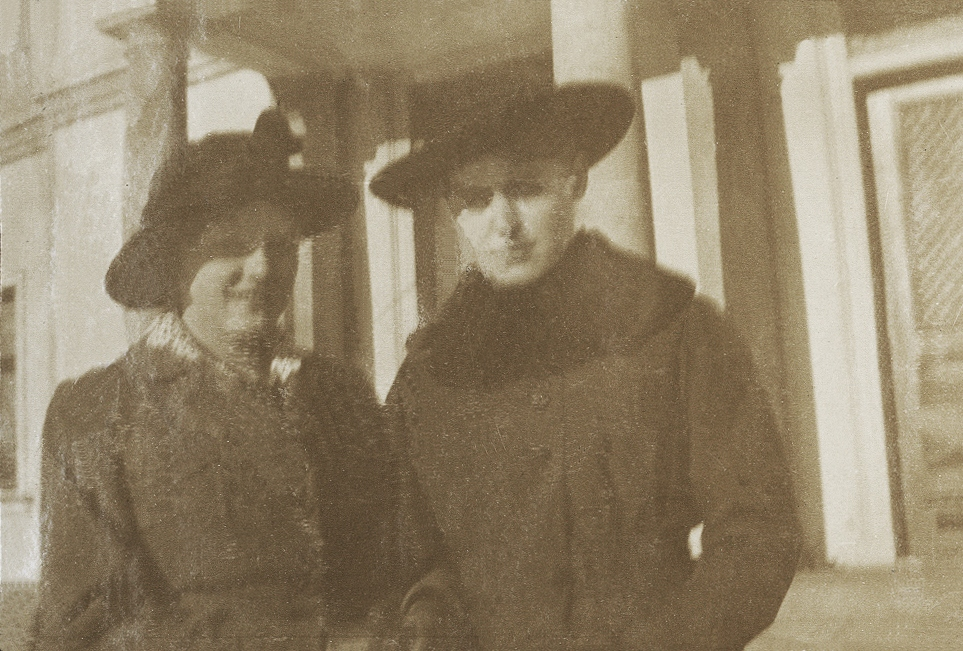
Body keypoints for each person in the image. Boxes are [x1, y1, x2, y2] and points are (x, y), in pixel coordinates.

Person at [371, 82, 801, 651]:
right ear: (452, 208)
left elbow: (758, 531)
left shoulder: (677, 334)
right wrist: (425, 622)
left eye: (525, 189)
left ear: (574, 180)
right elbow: (410, 561)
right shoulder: (430, 377)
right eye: (474, 199)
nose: (503, 224)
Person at [33, 110, 400, 650]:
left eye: (281, 246)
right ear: (174, 263)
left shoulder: (341, 394)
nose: (263, 268)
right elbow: (82, 634)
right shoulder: (95, 415)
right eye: (231, 244)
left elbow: (397, 568)